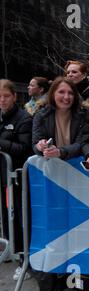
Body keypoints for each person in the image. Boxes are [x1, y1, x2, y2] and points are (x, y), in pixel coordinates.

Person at [0, 79, 33, 280]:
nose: (2, 100)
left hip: (18, 179)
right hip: (4, 179)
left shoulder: (23, 119)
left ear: (14, 96)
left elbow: (24, 148)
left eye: (5, 96)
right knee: (6, 218)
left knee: (21, 219)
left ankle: (24, 260)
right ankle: (10, 248)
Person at [32, 77, 86, 160]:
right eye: (61, 92)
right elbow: (35, 144)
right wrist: (40, 146)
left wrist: (59, 152)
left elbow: (81, 144)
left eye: (71, 93)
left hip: (77, 166)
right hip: (51, 167)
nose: (66, 97)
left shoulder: (83, 115)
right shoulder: (41, 115)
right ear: (53, 94)